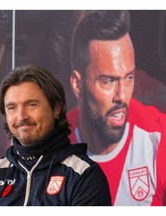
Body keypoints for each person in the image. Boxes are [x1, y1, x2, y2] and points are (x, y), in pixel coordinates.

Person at [0, 64, 111, 206]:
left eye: (31, 105)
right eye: (12, 108)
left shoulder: (84, 175)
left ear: (56, 108)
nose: (21, 116)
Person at [67, 10, 166, 205]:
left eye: (129, 77)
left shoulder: (159, 137)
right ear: (77, 85)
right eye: (109, 81)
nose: (122, 96)